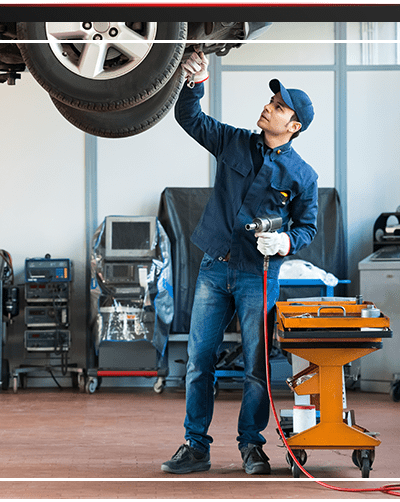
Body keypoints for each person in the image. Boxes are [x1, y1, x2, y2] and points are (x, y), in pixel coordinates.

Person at [161, 49, 319, 475]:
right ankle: (196, 446)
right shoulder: (233, 141)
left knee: (257, 367)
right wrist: (196, 82)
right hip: (214, 267)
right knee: (199, 361)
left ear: (294, 126)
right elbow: (189, 118)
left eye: (279, 107)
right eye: (271, 102)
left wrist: (285, 241)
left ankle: (252, 445)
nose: (268, 107)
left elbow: (308, 228)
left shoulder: (303, 176)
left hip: (259, 277)